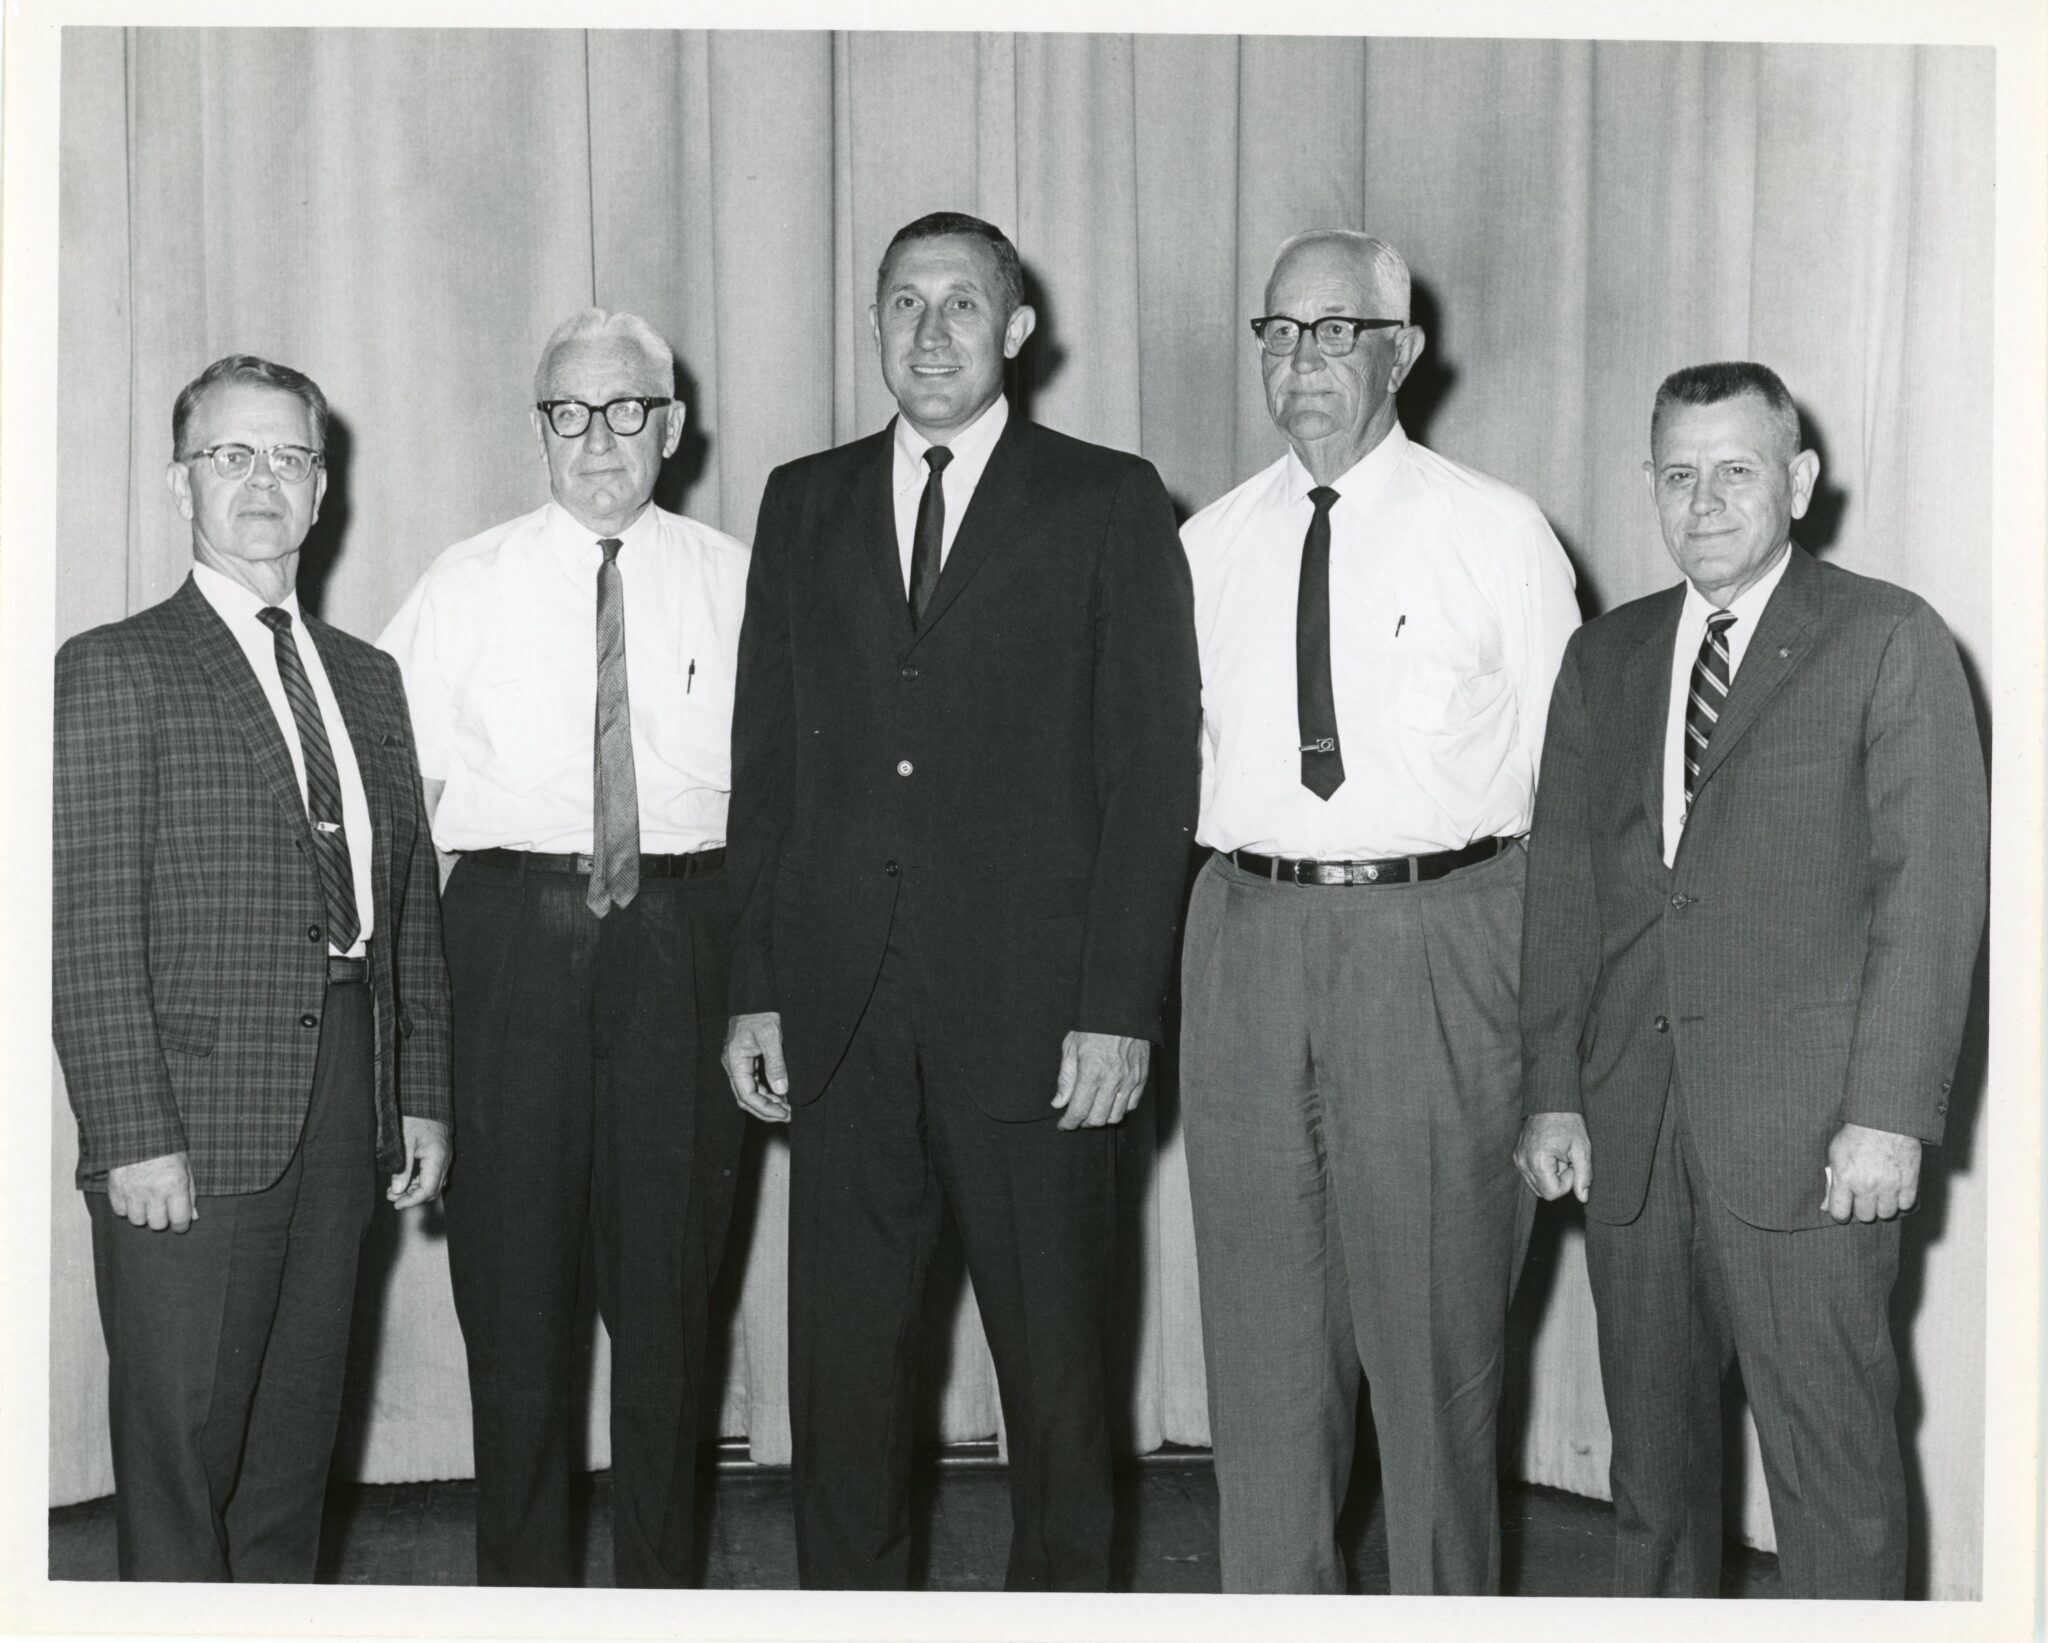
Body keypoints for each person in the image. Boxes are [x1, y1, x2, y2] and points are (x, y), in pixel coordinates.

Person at [722, 210, 1200, 1591]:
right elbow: (764, 760)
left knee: (1057, 1381)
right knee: (847, 1378)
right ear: (873, 324)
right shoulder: (800, 500)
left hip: (1040, 1026)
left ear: (1016, 328)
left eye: (961, 304)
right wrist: (755, 977)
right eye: (903, 304)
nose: (931, 332)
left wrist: (1119, 1008)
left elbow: (1150, 765)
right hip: (844, 1015)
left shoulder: (1107, 498)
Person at [1514, 362, 1987, 1598]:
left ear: (1799, 481)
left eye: (1735, 470)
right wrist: (1552, 1090)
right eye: (1679, 473)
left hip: (1810, 1134)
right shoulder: (1602, 658)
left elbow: (1926, 900)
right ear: (1650, 487)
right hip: (1635, 1123)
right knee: (1651, 1484)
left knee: (1829, 1478)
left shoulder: (1885, 637)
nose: (1704, 500)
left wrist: (1886, 1113)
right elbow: (1563, 887)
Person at [1176, 230, 1581, 1595]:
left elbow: (1569, 796)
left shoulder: (1496, 529)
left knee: (1433, 1354)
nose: (1300, 362)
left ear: (1401, 351)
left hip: (1437, 938)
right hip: (1243, 936)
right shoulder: (1205, 545)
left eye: (1333, 330)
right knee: (1264, 1354)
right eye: (1278, 332)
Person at [53, 354, 453, 1581]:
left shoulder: (369, 678)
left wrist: (419, 1090)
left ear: (322, 488)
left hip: (344, 1104)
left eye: (288, 455)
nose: (262, 479)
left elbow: (409, 912)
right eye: (232, 454)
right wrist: (132, 1133)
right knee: (183, 1452)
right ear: (183, 484)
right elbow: (84, 927)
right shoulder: (117, 665)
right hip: (189, 1120)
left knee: (292, 1448)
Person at [377, 310, 748, 1587]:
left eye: (626, 410)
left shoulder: (739, 579)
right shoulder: (459, 584)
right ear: (538, 426)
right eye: (569, 414)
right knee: (516, 1320)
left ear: (672, 424)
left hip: (682, 949)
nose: (599, 440)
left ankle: (660, 1598)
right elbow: (387, 817)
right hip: (508, 953)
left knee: (668, 1317)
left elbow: (789, 805)